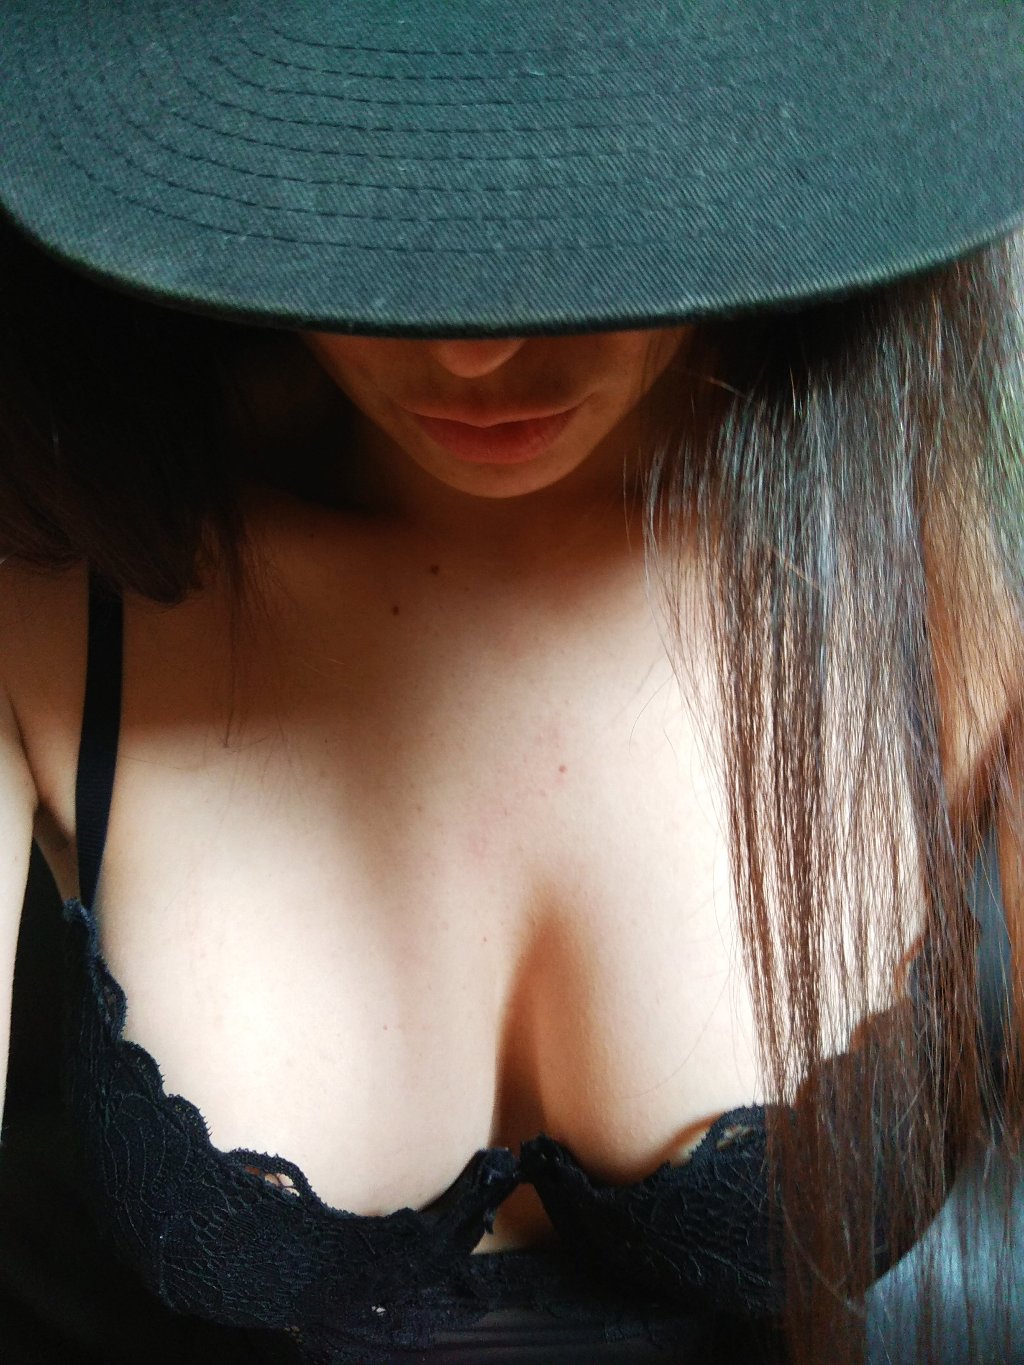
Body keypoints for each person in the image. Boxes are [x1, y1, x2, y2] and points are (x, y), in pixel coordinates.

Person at [0, 2, 1022, 1362]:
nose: (475, 356)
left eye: (577, 212)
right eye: (370, 188)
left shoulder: (942, 598)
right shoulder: (64, 589)